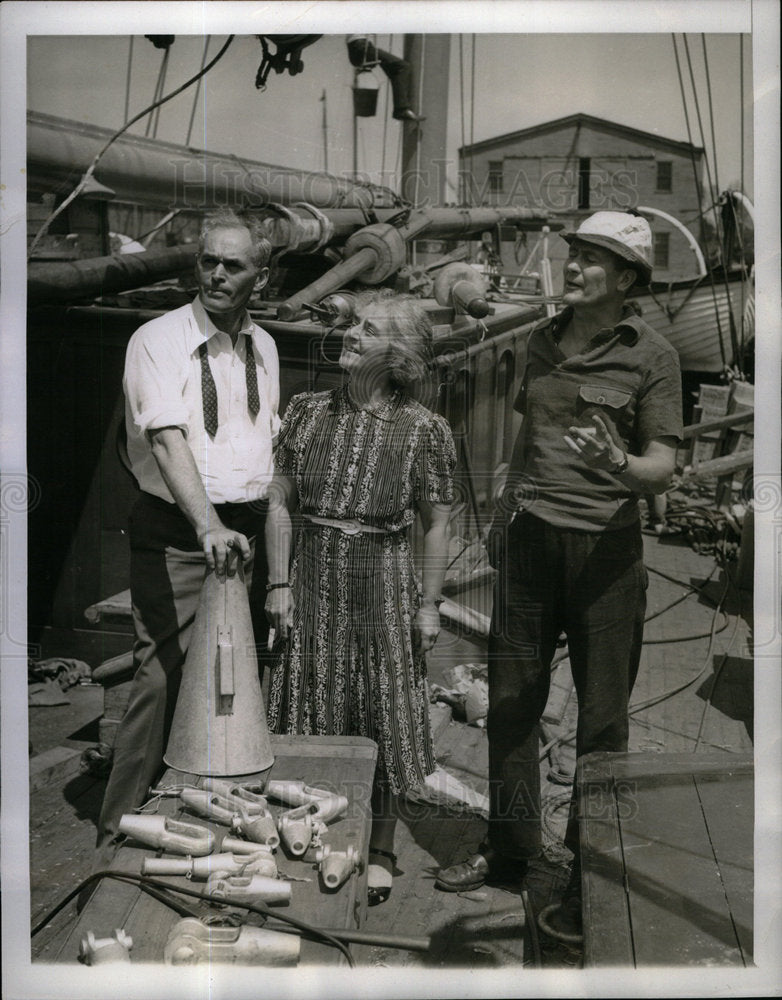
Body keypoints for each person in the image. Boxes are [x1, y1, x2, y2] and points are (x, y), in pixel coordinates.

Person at [434, 212, 683, 932]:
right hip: (532, 547)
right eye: (573, 252)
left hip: (606, 556)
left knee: (602, 724)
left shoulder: (652, 354)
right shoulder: (541, 341)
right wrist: (501, 527)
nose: (572, 266)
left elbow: (663, 464)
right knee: (512, 706)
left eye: (592, 258)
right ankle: (513, 853)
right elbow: (526, 440)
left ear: (627, 278)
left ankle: (586, 874)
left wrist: (620, 465)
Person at [93, 208, 279, 864]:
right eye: (209, 261)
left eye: (234, 264)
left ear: (262, 274)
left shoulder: (265, 347)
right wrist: (207, 525)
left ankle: (208, 809)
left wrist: (273, 565)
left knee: (235, 679)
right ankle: (117, 833)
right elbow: (167, 441)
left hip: (246, 533)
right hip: (182, 530)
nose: (217, 274)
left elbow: (264, 455)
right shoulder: (158, 339)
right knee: (160, 674)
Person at [264, 289, 455, 905]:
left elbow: (436, 523)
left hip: (386, 579)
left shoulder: (426, 429)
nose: (349, 335)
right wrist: (278, 583)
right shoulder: (304, 411)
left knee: (384, 712)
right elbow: (279, 504)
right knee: (307, 701)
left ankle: (378, 847)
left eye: (367, 330)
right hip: (314, 571)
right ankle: (309, 832)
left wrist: (430, 605)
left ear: (396, 355)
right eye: (353, 325)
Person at [346, 34, 424, 122]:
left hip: (355, 50)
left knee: (396, 72)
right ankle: (401, 109)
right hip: (362, 47)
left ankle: (401, 109)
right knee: (402, 67)